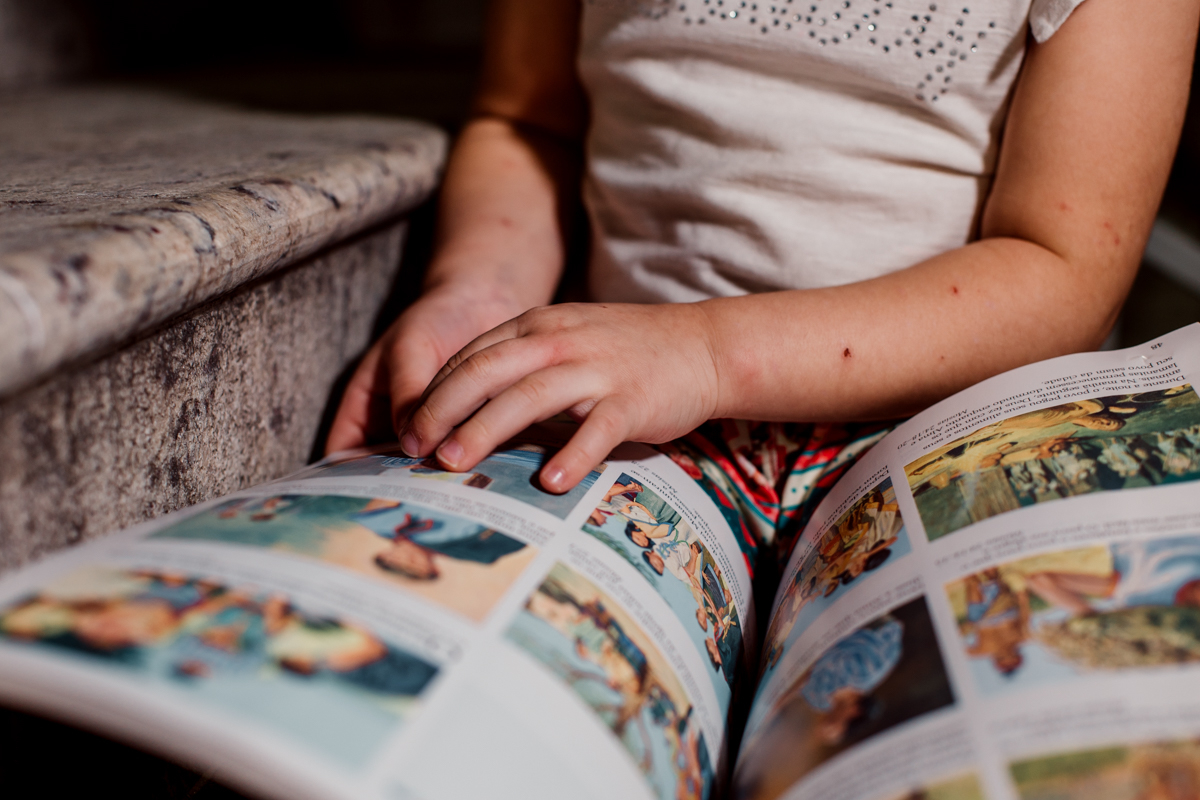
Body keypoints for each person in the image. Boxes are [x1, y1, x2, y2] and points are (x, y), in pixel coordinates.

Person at [326, 0, 1198, 577]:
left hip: (939, 427)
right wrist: (478, 287)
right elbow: (528, 117)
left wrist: (708, 352)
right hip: (631, 417)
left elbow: (1061, 263)